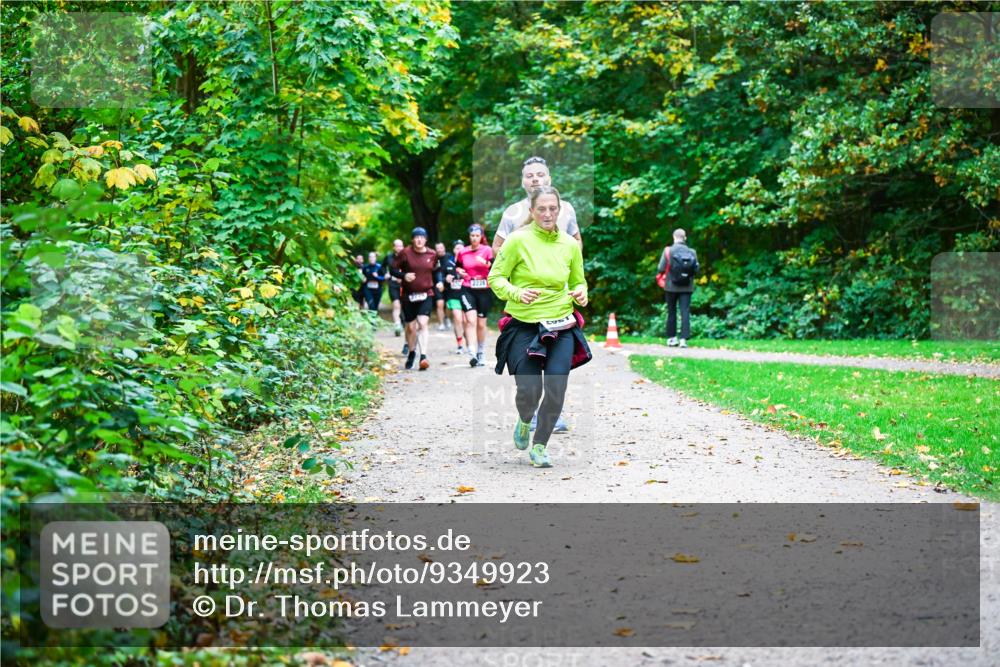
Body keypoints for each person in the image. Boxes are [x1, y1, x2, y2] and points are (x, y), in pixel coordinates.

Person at [488, 187, 590, 468]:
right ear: (531, 211)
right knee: (529, 391)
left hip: (560, 322)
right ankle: (524, 419)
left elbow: (579, 280)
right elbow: (496, 278)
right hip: (524, 325)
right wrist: (516, 293)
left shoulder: (570, 244)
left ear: (560, 211)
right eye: (542, 209)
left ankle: (540, 446)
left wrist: (581, 292)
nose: (548, 214)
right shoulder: (517, 241)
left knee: (557, 387)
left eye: (553, 209)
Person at [492, 156, 582, 255]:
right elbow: (496, 248)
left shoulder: (566, 208)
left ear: (549, 179)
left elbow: (577, 241)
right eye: (529, 176)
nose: (535, 179)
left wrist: (566, 260)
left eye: (540, 175)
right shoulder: (512, 211)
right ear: (522, 182)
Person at [393, 228, 439, 370]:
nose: (419, 240)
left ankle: (423, 356)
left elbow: (436, 270)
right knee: (411, 327)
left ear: (426, 240)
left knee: (422, 323)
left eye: (422, 237)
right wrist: (403, 276)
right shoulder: (405, 253)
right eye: (416, 237)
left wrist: (440, 282)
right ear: (412, 239)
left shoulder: (432, 254)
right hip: (408, 295)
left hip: (426, 294)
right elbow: (393, 269)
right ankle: (412, 353)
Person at [456, 224, 494, 367]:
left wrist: (485, 263)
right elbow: (457, 266)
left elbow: (495, 266)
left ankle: (481, 351)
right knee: (470, 320)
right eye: (472, 236)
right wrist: (460, 271)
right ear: (469, 237)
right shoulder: (463, 252)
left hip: (484, 289)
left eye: (477, 236)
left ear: (481, 237)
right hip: (467, 288)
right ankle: (471, 351)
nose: (474, 238)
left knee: (481, 323)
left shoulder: (487, 250)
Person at [657, 228, 699, 348]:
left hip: (670, 286)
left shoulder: (668, 251)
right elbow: (696, 270)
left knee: (671, 311)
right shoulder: (692, 252)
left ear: (674, 238)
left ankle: (672, 338)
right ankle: (683, 340)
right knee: (685, 311)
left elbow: (660, 268)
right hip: (687, 287)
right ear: (685, 238)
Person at [443, 240, 466, 354]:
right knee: (458, 318)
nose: (459, 250)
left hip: (467, 295)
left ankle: (468, 339)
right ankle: (460, 344)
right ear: (453, 250)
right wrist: (445, 281)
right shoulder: (448, 264)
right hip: (453, 295)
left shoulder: (468, 262)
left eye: (461, 248)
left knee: (466, 320)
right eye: (457, 248)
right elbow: (441, 279)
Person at [381, 239, 405, 339]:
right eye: (397, 246)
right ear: (394, 247)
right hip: (393, 284)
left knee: (404, 306)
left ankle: (403, 323)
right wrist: (385, 274)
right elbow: (382, 267)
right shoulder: (389, 257)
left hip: (405, 285)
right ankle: (397, 325)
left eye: (401, 246)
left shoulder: (407, 257)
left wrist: (404, 276)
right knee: (396, 305)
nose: (399, 248)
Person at [432, 242, 450, 331]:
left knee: (448, 305)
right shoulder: (433, 258)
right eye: (437, 248)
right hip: (437, 285)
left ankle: (447, 317)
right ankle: (441, 323)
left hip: (448, 284)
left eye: (441, 248)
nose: (439, 250)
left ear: (444, 248)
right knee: (439, 304)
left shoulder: (449, 257)